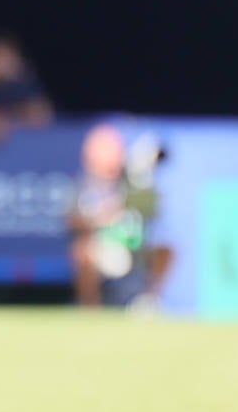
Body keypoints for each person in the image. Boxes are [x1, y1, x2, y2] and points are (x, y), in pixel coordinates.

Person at [67, 123, 171, 311]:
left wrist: (138, 184)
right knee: (82, 251)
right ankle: (90, 308)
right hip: (101, 247)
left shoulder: (132, 183)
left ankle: (149, 302)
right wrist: (100, 218)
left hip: (132, 247)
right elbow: (71, 219)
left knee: (165, 247)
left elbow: (152, 210)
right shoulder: (84, 185)